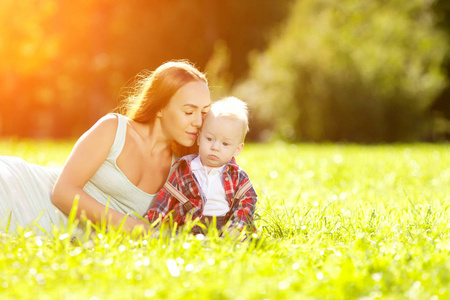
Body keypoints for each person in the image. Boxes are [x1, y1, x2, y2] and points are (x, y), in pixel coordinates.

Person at [0, 60, 211, 235]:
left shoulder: (183, 169)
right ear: (160, 108)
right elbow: (62, 192)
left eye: (203, 113)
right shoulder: (114, 129)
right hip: (18, 190)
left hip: (58, 237)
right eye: (189, 111)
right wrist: (131, 226)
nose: (198, 122)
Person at [147, 97, 257, 235]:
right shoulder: (185, 168)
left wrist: (236, 227)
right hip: (189, 225)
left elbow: (248, 200)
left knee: (242, 240)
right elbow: (166, 199)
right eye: (209, 139)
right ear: (199, 138)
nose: (215, 147)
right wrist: (153, 225)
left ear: (237, 149)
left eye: (225, 144)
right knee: (169, 237)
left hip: (224, 226)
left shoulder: (237, 175)